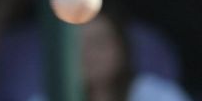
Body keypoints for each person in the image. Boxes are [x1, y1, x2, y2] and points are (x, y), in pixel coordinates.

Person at [26, 7, 192, 101]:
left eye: (98, 43)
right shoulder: (48, 98)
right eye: (77, 46)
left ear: (121, 48)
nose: (89, 54)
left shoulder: (158, 96)